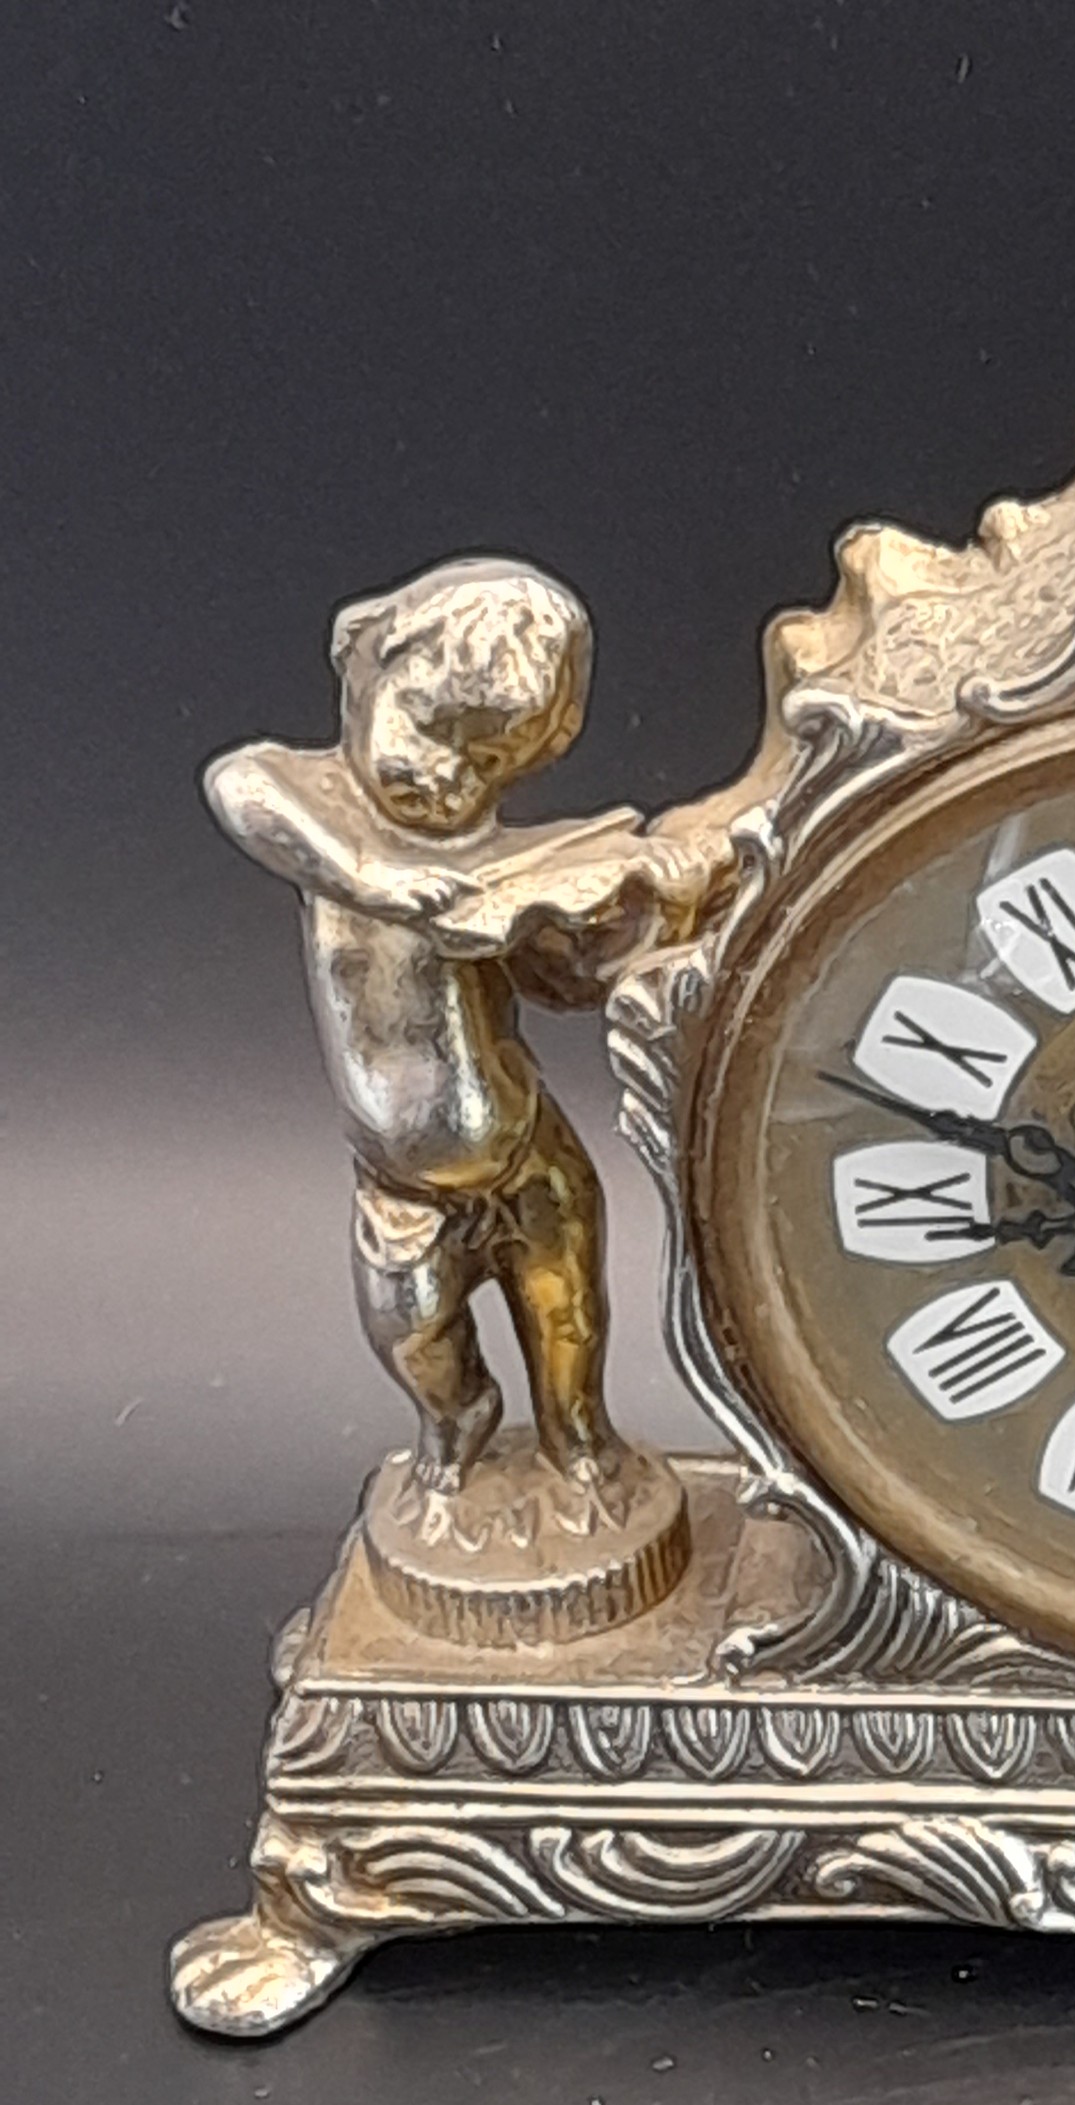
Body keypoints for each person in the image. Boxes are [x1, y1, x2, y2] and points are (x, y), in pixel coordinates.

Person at [206, 557, 728, 1498]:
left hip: (525, 1152)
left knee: (569, 1312)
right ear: (363, 665)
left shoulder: (489, 868)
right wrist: (381, 881)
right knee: (415, 1342)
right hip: (402, 1190)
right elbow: (239, 785)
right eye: (427, 727)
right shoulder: (322, 816)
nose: (448, 776)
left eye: (489, 766)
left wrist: (612, 924)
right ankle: (459, 1421)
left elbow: (559, 984)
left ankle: (578, 1442)